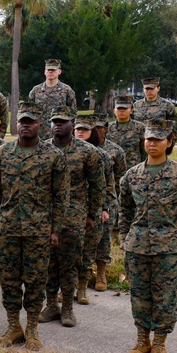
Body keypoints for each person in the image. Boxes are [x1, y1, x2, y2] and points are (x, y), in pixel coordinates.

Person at [0, 102, 68, 351]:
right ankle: (14, 326)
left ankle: (32, 327)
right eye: (22, 121)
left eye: (31, 121)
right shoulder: (2, 154)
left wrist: (55, 229)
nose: (25, 125)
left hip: (38, 229)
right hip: (9, 228)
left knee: (35, 280)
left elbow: (60, 196)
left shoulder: (53, 156)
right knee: (9, 280)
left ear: (40, 125)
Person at [118, 119, 177, 353]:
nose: (152, 143)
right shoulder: (131, 175)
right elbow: (125, 209)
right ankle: (142, 341)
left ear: (169, 142)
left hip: (169, 247)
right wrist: (124, 236)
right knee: (139, 296)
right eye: (149, 138)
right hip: (137, 246)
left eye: (158, 139)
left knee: (166, 297)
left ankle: (159, 343)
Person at [39, 107, 104, 327]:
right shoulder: (42, 149)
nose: (58, 124)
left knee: (69, 263)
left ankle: (67, 307)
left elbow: (97, 186)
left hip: (74, 216)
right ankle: (50, 304)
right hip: (45, 216)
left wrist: (92, 214)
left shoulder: (87, 152)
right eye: (55, 121)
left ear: (72, 124)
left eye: (63, 121)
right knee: (47, 263)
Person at [73, 114, 115, 303]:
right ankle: (67, 288)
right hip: (70, 209)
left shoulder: (102, 155)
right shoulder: (63, 151)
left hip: (93, 209)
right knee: (69, 252)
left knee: (88, 250)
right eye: (78, 129)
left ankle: (82, 288)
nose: (81, 132)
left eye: (85, 130)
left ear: (93, 133)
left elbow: (108, 187)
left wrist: (104, 209)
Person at [92, 111, 126, 290]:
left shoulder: (115, 151)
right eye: (93, 127)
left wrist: (115, 202)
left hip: (107, 199)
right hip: (86, 199)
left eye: (99, 127)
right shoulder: (81, 148)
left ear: (105, 129)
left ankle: (101, 273)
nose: (96, 130)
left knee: (104, 236)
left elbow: (121, 178)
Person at [28, 59, 77, 140]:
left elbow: (73, 114)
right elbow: (30, 113)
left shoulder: (67, 90)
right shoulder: (35, 91)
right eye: (48, 70)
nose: (50, 72)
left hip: (60, 135)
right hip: (40, 136)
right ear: (44, 72)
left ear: (59, 72)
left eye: (53, 70)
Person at [107, 94, 146, 177]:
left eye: (125, 108)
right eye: (119, 108)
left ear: (131, 110)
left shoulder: (140, 128)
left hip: (134, 171)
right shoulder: (107, 128)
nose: (121, 111)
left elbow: (144, 151)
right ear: (114, 110)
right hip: (113, 172)